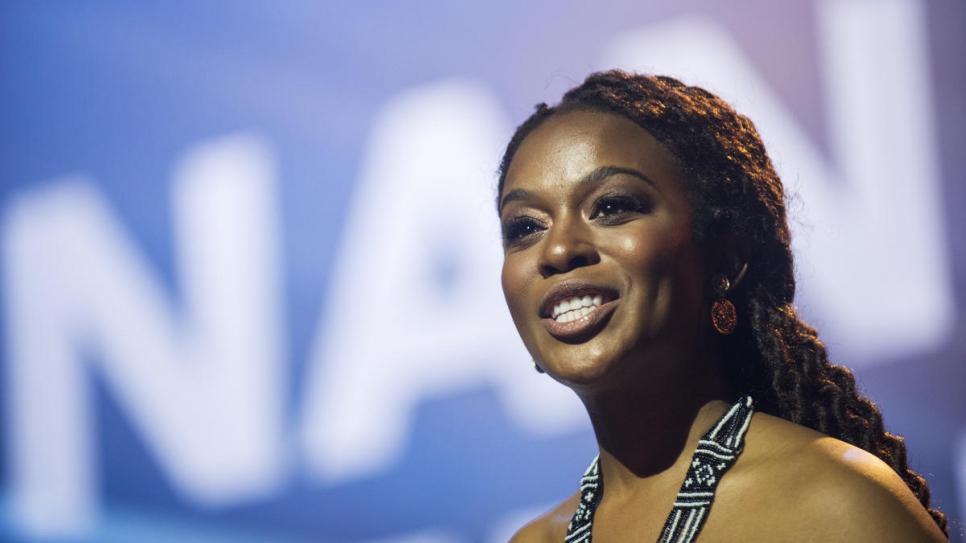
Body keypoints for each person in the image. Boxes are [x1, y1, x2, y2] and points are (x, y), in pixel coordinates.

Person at [497, 70, 948, 543]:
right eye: (524, 227)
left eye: (611, 206)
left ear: (726, 257)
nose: (558, 251)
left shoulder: (831, 504)